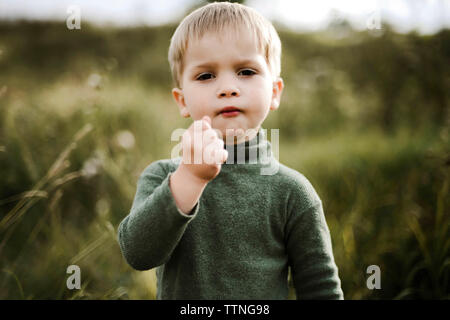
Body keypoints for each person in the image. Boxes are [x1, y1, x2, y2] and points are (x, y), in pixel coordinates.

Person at [117, 2, 344, 300]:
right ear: (182, 100)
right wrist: (190, 178)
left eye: (246, 71)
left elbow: (321, 288)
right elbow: (138, 253)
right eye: (206, 76)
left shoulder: (293, 193)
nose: (227, 87)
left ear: (274, 92)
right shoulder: (163, 176)